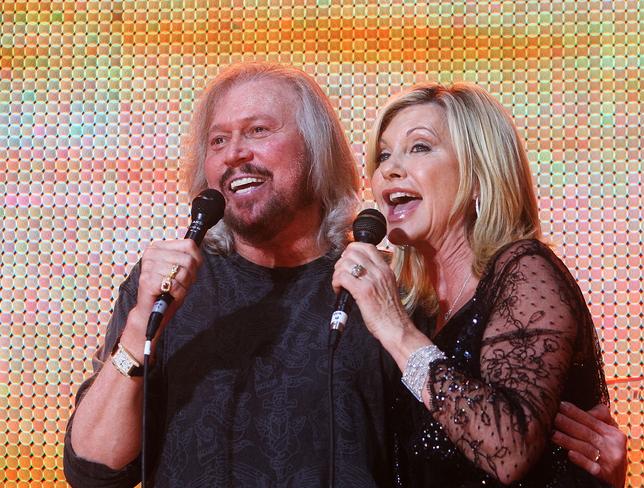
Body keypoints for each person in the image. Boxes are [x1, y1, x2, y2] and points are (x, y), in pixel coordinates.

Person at [63, 62, 398, 487]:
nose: (234, 153)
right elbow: (92, 469)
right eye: (218, 139)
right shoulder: (168, 286)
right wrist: (139, 328)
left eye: (258, 130)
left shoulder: (380, 285)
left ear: (317, 150)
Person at [332, 82, 614, 487]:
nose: (389, 169)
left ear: (480, 173)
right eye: (384, 155)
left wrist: (394, 328)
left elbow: (507, 450)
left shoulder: (525, 273)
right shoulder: (418, 304)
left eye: (420, 147)